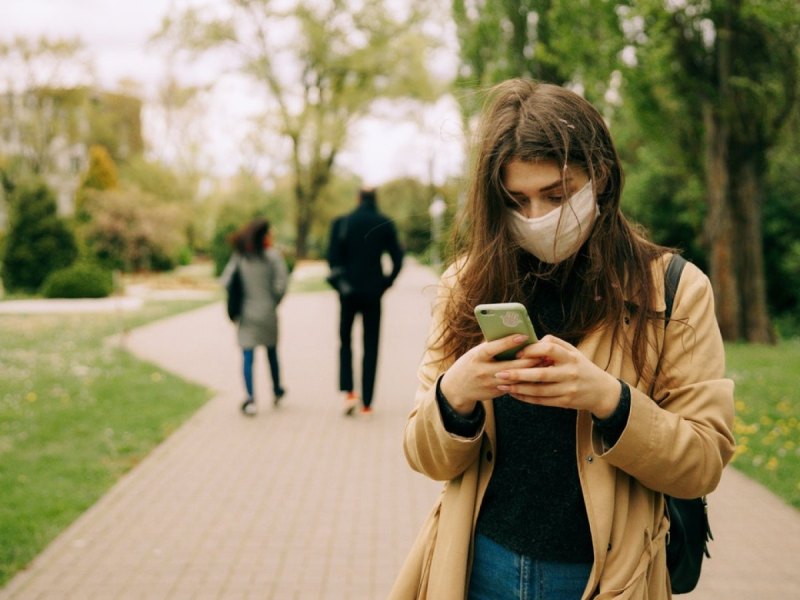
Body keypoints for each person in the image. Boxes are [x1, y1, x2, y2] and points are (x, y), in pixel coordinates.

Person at [389, 79, 735, 599]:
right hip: (478, 566)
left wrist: (609, 400)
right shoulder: (467, 283)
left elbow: (703, 461)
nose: (537, 217)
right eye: (517, 199)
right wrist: (453, 395)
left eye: (557, 194)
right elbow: (427, 457)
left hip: (604, 578)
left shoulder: (673, 288)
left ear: (600, 177)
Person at [327, 187, 404, 416]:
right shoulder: (384, 223)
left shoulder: (342, 223)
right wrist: (385, 283)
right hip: (373, 293)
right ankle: (368, 402)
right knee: (371, 345)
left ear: (358, 198)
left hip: (348, 293)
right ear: (375, 200)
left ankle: (349, 392)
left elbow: (332, 259)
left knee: (345, 341)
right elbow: (398, 260)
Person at [221, 218, 289, 415]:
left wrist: (239, 299)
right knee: (272, 353)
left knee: (247, 356)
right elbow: (281, 284)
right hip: (268, 312)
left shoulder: (242, 256)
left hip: (247, 313)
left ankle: (250, 399)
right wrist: (274, 300)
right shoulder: (273, 256)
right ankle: (276, 390)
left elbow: (226, 280)